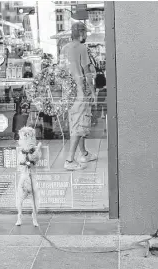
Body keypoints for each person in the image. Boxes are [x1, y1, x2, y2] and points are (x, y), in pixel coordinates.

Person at [59, 22, 97, 170]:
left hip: (68, 91)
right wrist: (93, 92)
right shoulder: (82, 48)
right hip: (80, 90)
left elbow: (61, 70)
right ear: (82, 34)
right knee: (79, 123)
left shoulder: (64, 48)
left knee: (76, 121)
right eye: (85, 32)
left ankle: (84, 153)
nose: (86, 35)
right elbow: (87, 72)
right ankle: (69, 160)